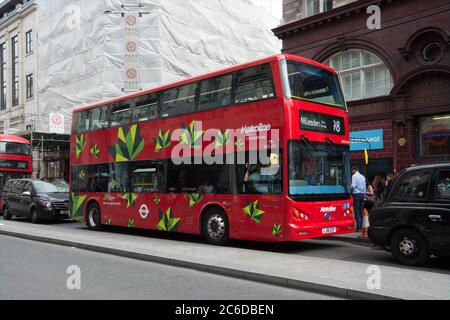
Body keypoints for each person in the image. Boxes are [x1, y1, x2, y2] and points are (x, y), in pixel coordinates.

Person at [351, 167, 367, 232]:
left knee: (356, 211)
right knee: (361, 210)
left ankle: (358, 227)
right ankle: (362, 225)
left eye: (352, 170)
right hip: (362, 194)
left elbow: (353, 186)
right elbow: (365, 187)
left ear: (354, 170)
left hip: (356, 194)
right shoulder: (363, 176)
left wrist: (350, 189)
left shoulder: (354, 176)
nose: (352, 172)